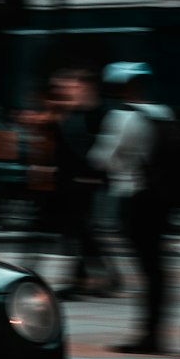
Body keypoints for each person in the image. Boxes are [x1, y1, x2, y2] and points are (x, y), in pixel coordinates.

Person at [88, 62, 173, 355]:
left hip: (134, 197)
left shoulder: (121, 117)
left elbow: (101, 158)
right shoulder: (163, 113)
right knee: (157, 269)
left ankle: (148, 336)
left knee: (147, 269)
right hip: (162, 199)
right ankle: (154, 331)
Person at [50, 68, 119, 299]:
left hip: (89, 183)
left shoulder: (100, 113)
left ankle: (88, 281)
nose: (67, 89)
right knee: (83, 233)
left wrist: (92, 173)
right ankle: (101, 279)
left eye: (72, 85)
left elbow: (98, 149)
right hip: (73, 184)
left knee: (84, 233)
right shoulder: (73, 113)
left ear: (85, 86)